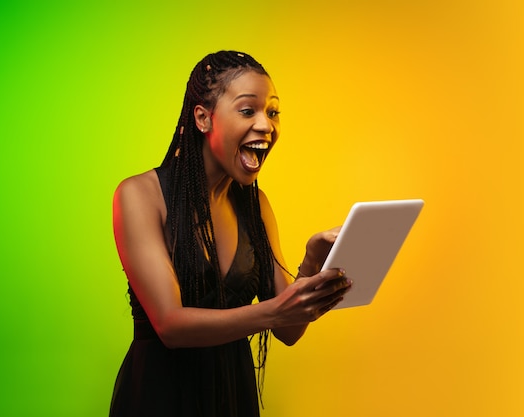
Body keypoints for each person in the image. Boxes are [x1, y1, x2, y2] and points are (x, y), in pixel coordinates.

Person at [109, 50, 352, 417]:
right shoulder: (140, 196)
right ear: (204, 118)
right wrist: (272, 312)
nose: (266, 125)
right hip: (159, 398)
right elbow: (170, 325)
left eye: (272, 112)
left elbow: (289, 330)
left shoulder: (256, 206)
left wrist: (314, 263)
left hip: (232, 398)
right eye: (247, 110)